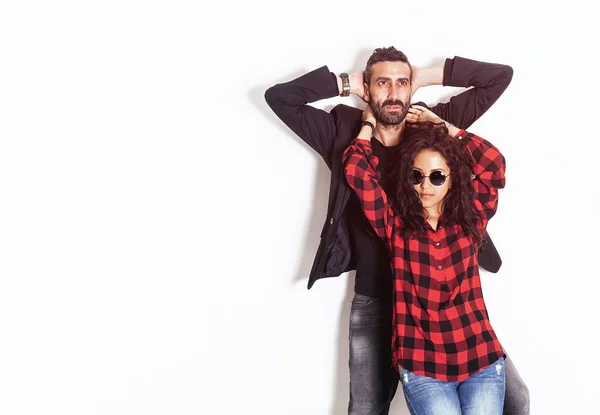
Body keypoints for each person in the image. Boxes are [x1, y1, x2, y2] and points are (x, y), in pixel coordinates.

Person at [264, 47, 529, 414]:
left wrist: (423, 77)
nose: (394, 92)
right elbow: (280, 98)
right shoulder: (343, 131)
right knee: (367, 408)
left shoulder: (434, 125)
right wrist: (346, 85)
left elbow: (498, 77)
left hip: (445, 296)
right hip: (377, 297)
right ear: (367, 89)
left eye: (402, 83)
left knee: (516, 401)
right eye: (383, 83)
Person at [343, 104, 507, 414]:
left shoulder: (471, 221)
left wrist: (444, 126)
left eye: (436, 176)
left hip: (480, 359)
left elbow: (494, 166)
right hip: (423, 365)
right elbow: (356, 171)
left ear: (452, 178)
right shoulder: (396, 227)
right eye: (417, 176)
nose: (425, 186)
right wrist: (367, 124)